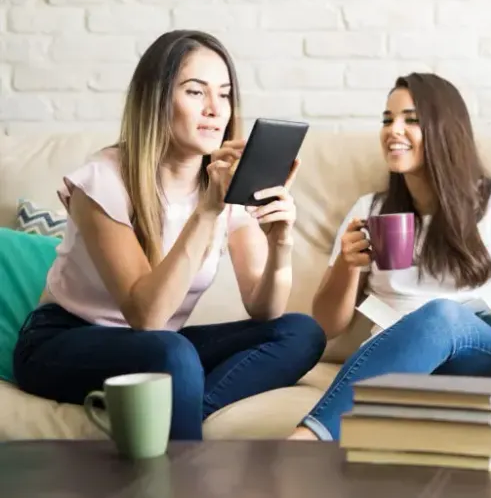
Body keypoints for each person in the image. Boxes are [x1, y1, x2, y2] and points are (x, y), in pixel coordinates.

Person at [13, 30, 327, 441]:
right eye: (196, 93)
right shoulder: (103, 180)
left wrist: (281, 240)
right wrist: (207, 210)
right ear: (157, 100)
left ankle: (175, 413)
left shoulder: (225, 184)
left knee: (300, 332)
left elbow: (264, 308)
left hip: (159, 349)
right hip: (65, 341)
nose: (216, 109)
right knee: (172, 353)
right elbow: (147, 316)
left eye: (225, 94)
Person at [288, 72, 491, 441]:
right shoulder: (370, 209)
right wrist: (347, 266)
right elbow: (328, 325)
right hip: (398, 360)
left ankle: (306, 440)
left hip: (481, 352)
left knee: (440, 315)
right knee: (428, 328)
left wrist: (449, 328)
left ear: (445, 129)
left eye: (411, 120)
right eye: (387, 119)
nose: (393, 130)